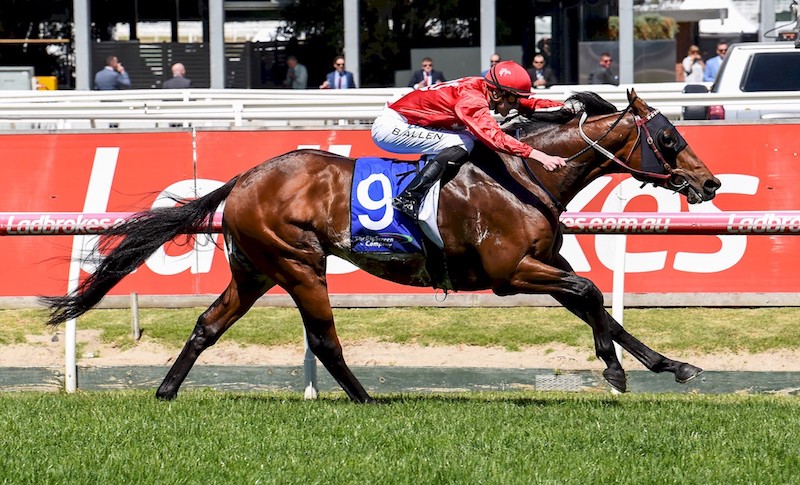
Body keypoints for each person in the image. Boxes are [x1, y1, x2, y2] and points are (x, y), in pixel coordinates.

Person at [372, 60, 567, 219]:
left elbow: (527, 102)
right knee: (465, 142)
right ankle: (410, 197)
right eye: (514, 98)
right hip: (392, 127)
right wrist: (540, 156)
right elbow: (495, 138)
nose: (517, 104)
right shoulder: (472, 100)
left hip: (413, 121)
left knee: (471, 139)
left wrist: (564, 107)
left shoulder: (487, 88)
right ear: (498, 94)